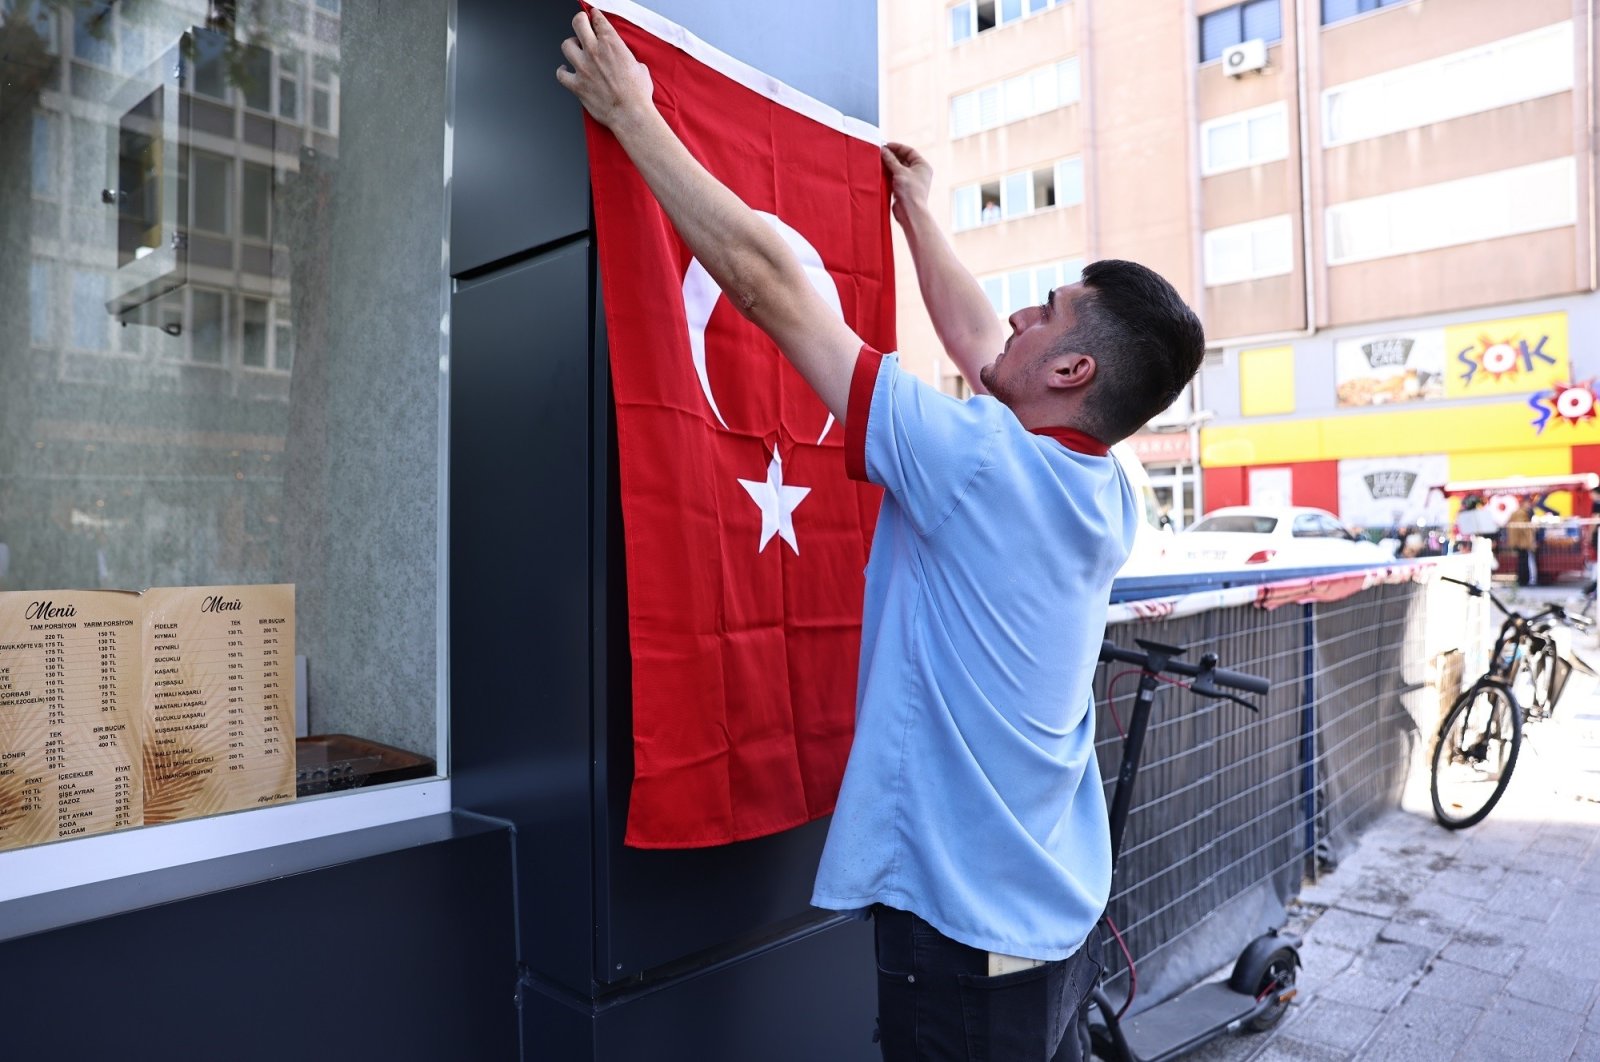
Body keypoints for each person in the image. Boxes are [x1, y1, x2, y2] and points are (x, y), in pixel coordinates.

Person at [559, 13, 1206, 1060]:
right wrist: (918, 215)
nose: (1019, 320)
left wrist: (633, 114)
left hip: (961, 942)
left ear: (1074, 375)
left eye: (1045, 311)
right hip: (1042, 917)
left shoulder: (979, 465)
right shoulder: (1104, 484)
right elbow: (987, 344)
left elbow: (771, 291)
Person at [1508, 499, 1537, 586]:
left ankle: (1521, 580)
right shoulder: (1522, 514)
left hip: (1517, 541)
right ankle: (1524, 580)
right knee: (1524, 561)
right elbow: (1525, 530)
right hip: (1523, 542)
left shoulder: (1515, 513)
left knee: (1521, 561)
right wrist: (1531, 542)